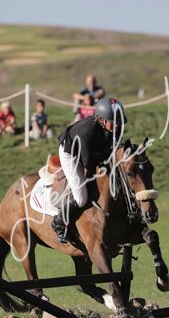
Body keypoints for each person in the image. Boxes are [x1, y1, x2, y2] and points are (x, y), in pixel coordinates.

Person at [51, 96, 127, 243]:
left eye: (119, 121)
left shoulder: (114, 126)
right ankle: (58, 223)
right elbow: (90, 164)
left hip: (92, 149)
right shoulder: (87, 132)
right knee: (81, 198)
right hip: (71, 154)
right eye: (114, 122)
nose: (118, 125)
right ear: (101, 120)